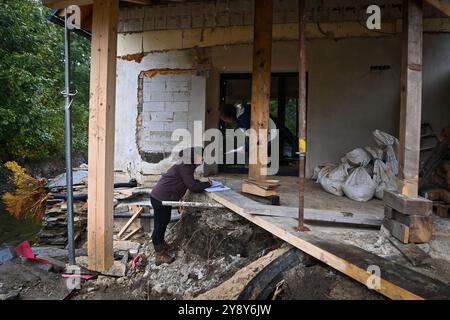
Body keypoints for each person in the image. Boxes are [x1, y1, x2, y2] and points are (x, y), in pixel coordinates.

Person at [149, 147, 211, 265]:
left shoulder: (187, 165)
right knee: (160, 225)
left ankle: (161, 245)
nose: (203, 158)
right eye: (201, 155)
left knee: (164, 220)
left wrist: (199, 184)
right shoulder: (185, 166)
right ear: (193, 156)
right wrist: (208, 184)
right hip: (160, 198)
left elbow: (187, 182)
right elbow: (192, 186)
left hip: (162, 197)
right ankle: (159, 255)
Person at [220, 102, 297, 155]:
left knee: (290, 140)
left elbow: (255, 138)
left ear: (230, 116)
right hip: (271, 127)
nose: (226, 122)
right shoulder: (241, 112)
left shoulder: (243, 118)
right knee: (289, 138)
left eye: (225, 119)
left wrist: (244, 148)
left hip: (270, 130)